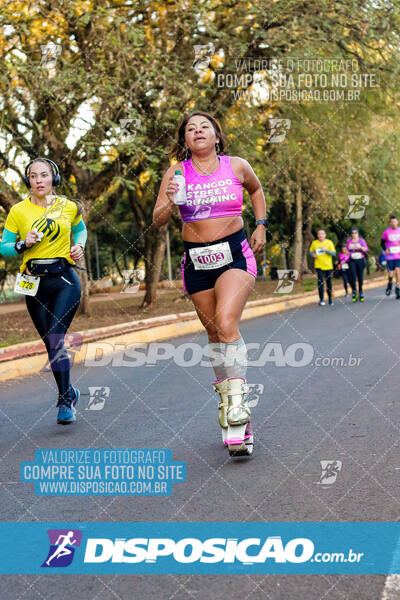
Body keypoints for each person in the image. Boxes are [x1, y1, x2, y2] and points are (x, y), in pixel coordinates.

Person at [153, 111, 266, 457]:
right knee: (215, 331)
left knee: (227, 322)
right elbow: (157, 220)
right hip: (196, 261)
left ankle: (238, 411)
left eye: (205, 127)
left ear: (217, 136)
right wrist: (170, 200)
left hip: (234, 254)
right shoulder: (175, 173)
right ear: (185, 140)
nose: (198, 132)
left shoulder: (237, 165)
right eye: (191, 129)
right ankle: (230, 406)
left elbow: (256, 190)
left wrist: (260, 224)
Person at [0, 158, 87, 424]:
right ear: (28, 181)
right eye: (33, 176)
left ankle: (64, 402)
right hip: (33, 283)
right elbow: (4, 246)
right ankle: (69, 391)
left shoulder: (68, 206)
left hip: (64, 281)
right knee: (50, 342)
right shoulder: (18, 211)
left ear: (54, 179)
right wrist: (22, 244)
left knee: (55, 338)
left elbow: (80, 230)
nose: (39, 180)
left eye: (44, 175)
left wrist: (79, 246)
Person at [309, 230, 336, 306]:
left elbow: (334, 253)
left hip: (328, 266)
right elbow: (311, 251)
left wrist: (326, 250)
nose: (320, 235)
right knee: (320, 283)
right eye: (319, 234)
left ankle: (330, 298)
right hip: (319, 266)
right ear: (317, 235)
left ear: (325, 235)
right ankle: (321, 299)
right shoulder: (314, 243)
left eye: (322, 234)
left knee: (329, 283)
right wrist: (313, 255)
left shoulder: (329, 242)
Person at [346, 227, 368, 302]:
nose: (354, 234)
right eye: (352, 233)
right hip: (352, 260)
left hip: (360, 260)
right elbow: (346, 251)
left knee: (360, 276)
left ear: (358, 233)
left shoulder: (361, 241)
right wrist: (349, 251)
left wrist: (360, 247)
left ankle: (361, 291)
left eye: (355, 233)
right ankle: (354, 291)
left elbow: (366, 249)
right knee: (353, 276)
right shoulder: (349, 241)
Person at [382, 215, 400, 298]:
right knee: (390, 274)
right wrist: (385, 249)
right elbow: (382, 243)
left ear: (397, 222)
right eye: (391, 222)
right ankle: (389, 284)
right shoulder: (386, 232)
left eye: (394, 221)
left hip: (398, 255)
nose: (393, 223)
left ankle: (397, 289)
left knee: (398, 272)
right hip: (390, 256)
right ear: (390, 223)